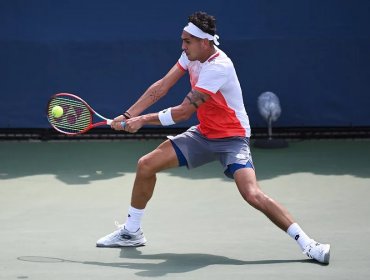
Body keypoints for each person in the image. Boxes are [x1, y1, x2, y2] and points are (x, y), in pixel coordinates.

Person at [96, 11, 330, 264]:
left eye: (187, 41)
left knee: (252, 194)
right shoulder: (190, 56)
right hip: (204, 133)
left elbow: (184, 112)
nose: (183, 46)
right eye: (183, 40)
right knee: (146, 165)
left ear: (204, 42)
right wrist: (128, 114)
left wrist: (142, 120)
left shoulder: (219, 67)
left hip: (232, 138)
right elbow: (162, 86)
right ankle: (132, 232)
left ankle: (308, 244)